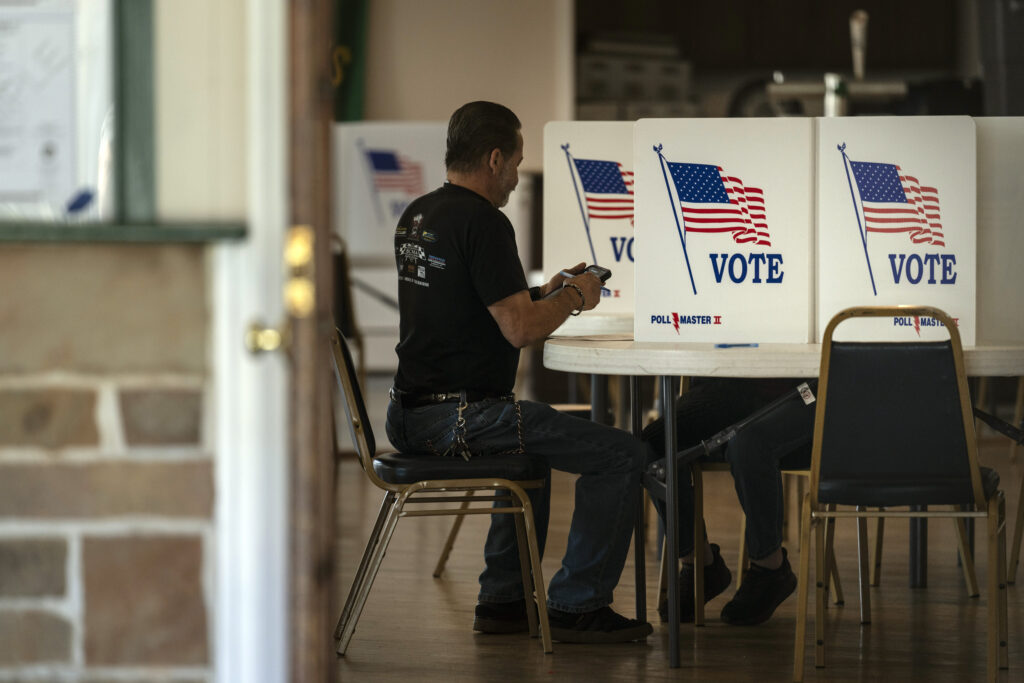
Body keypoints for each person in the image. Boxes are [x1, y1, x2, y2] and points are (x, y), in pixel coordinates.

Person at [384, 101, 653, 644]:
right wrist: (576, 295)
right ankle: (579, 605)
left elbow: (472, 306)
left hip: (410, 413)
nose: (514, 176)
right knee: (625, 454)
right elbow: (520, 331)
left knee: (533, 445)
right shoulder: (485, 221)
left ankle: (504, 600)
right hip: (463, 417)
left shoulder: (419, 214)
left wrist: (542, 293)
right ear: (494, 158)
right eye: (516, 162)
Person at [642, 377, 814, 626]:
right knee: (654, 444)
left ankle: (770, 568)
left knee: (748, 445)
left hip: (803, 391)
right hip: (726, 383)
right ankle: (698, 563)